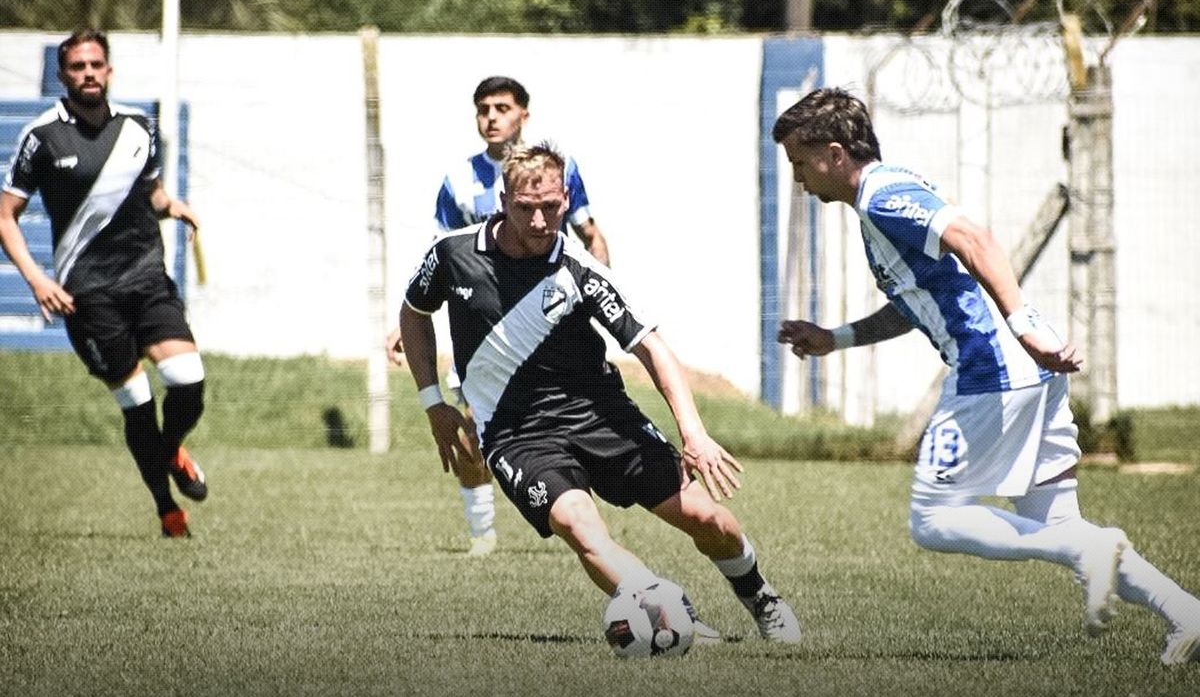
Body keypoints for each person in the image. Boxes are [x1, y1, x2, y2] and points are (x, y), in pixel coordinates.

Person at [772, 87, 1200, 665]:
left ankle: (1095, 552)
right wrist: (837, 338)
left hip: (991, 369)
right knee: (1058, 525)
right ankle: (1187, 616)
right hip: (1025, 373)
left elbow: (976, 240)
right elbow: (917, 299)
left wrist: (1022, 325)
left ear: (835, 153)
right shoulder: (884, 195)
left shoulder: (882, 197)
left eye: (800, 162)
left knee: (932, 519)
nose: (799, 179)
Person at [397, 143, 801, 644]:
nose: (541, 221)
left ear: (566, 199)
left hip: (600, 415)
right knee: (577, 524)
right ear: (502, 200)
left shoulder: (580, 269)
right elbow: (414, 312)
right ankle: (671, 618)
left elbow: (650, 344)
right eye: (526, 208)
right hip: (516, 433)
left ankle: (760, 596)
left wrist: (693, 433)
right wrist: (433, 402)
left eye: (551, 207)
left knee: (704, 517)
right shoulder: (452, 255)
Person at [0, 28, 208, 539]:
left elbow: (152, 193)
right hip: (88, 294)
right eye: (77, 67)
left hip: (146, 279)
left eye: (96, 65)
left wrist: (173, 206)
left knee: (188, 381)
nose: (88, 74)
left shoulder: (140, 128)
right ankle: (166, 508)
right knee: (135, 400)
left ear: (109, 71)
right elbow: (6, 216)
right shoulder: (41, 137)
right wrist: (35, 278)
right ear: (62, 74)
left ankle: (169, 450)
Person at [392, 76, 611, 558]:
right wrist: (404, 322)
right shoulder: (458, 180)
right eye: (482, 109)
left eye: (502, 107)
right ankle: (483, 532)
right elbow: (437, 256)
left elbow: (592, 234)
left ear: (524, 116)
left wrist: (601, 299)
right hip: (482, 329)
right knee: (472, 428)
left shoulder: (558, 170)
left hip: (550, 328)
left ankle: (575, 504)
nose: (490, 117)